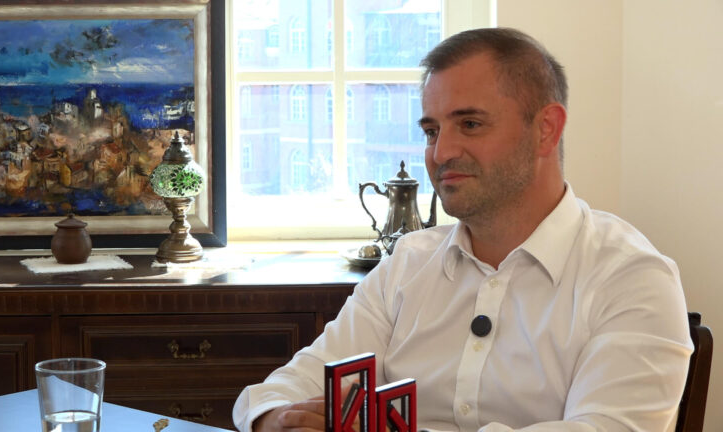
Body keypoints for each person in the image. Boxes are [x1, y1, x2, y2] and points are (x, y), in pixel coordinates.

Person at [233, 27, 693, 432]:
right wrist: (277, 420)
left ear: (546, 130)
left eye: (470, 124)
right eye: (431, 131)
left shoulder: (632, 279)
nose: (441, 153)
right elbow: (287, 387)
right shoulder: (408, 264)